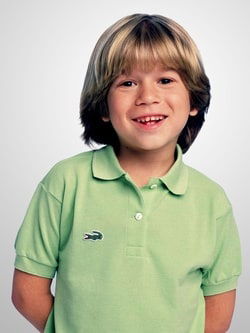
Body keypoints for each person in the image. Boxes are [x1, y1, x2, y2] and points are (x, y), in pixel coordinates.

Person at [11, 13, 242, 333]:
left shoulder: (211, 202)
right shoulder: (65, 183)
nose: (148, 97)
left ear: (193, 99)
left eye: (166, 80)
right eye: (127, 82)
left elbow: (217, 311)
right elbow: (27, 292)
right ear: (103, 106)